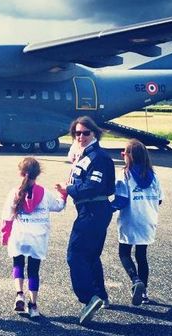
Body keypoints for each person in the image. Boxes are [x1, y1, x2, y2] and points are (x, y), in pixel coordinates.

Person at [55, 116, 115, 325]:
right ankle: (101, 295)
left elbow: (94, 187)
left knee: (75, 255)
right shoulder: (84, 156)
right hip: (90, 210)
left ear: (94, 134)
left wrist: (68, 189)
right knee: (90, 255)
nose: (80, 136)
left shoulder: (98, 157)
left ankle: (89, 298)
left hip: (93, 210)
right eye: (77, 133)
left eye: (85, 133)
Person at [1, 157, 66, 318]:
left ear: (20, 173)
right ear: (38, 174)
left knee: (18, 264)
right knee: (33, 271)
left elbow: (7, 218)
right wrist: (63, 194)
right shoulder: (45, 193)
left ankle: (19, 294)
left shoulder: (14, 192)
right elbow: (58, 206)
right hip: (38, 239)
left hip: (19, 237)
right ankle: (33, 305)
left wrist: (5, 235)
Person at [115, 139, 164, 306]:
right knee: (142, 256)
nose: (122, 155)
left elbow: (121, 200)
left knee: (124, 253)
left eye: (124, 152)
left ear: (130, 156)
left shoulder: (124, 174)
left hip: (130, 219)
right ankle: (144, 294)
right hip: (149, 220)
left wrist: (106, 207)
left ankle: (136, 280)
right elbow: (159, 200)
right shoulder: (154, 175)